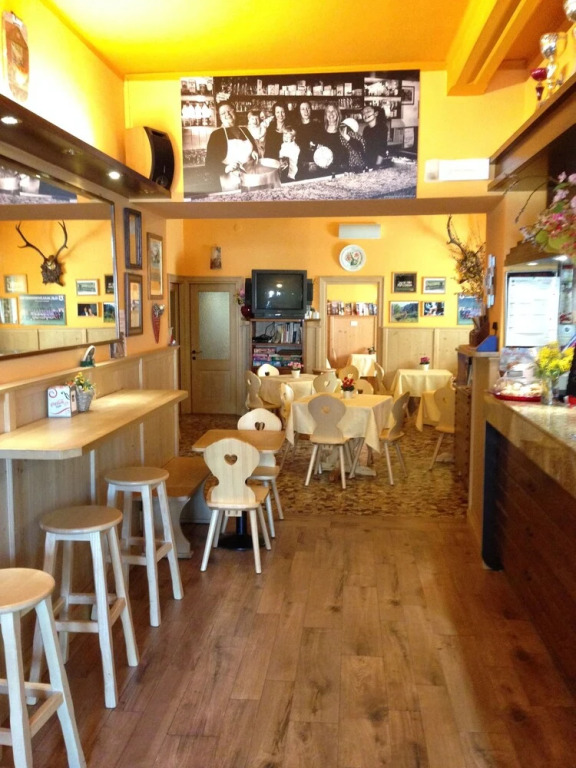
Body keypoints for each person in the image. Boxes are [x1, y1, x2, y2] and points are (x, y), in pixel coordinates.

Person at [204, 102, 259, 191]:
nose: (227, 114)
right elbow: (210, 164)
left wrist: (254, 151)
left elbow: (253, 147)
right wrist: (226, 168)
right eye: (223, 113)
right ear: (220, 117)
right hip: (230, 182)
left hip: (250, 177)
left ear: (235, 112)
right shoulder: (216, 135)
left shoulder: (244, 130)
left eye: (230, 111)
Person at [312, 102, 347, 175]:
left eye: (333, 111)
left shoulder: (344, 129)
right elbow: (315, 149)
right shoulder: (320, 130)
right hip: (323, 171)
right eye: (328, 111)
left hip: (340, 171)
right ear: (325, 115)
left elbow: (348, 152)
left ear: (338, 113)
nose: (331, 114)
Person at [294, 100, 321, 177]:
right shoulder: (295, 127)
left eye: (308, 108)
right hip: (300, 164)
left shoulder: (317, 125)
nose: (306, 111)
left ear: (311, 109)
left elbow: (321, 143)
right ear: (299, 111)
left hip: (315, 163)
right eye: (303, 109)